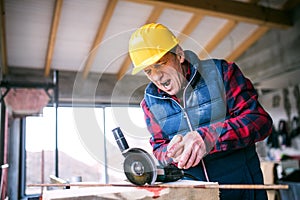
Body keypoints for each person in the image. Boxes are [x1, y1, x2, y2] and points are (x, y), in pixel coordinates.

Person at [128, 23, 273, 200]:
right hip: (195, 196)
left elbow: (259, 121)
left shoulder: (222, 73)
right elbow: (159, 147)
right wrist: (170, 152)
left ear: (179, 54)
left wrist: (208, 137)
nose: (157, 76)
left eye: (160, 64)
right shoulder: (149, 104)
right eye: (148, 71)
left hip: (244, 192)